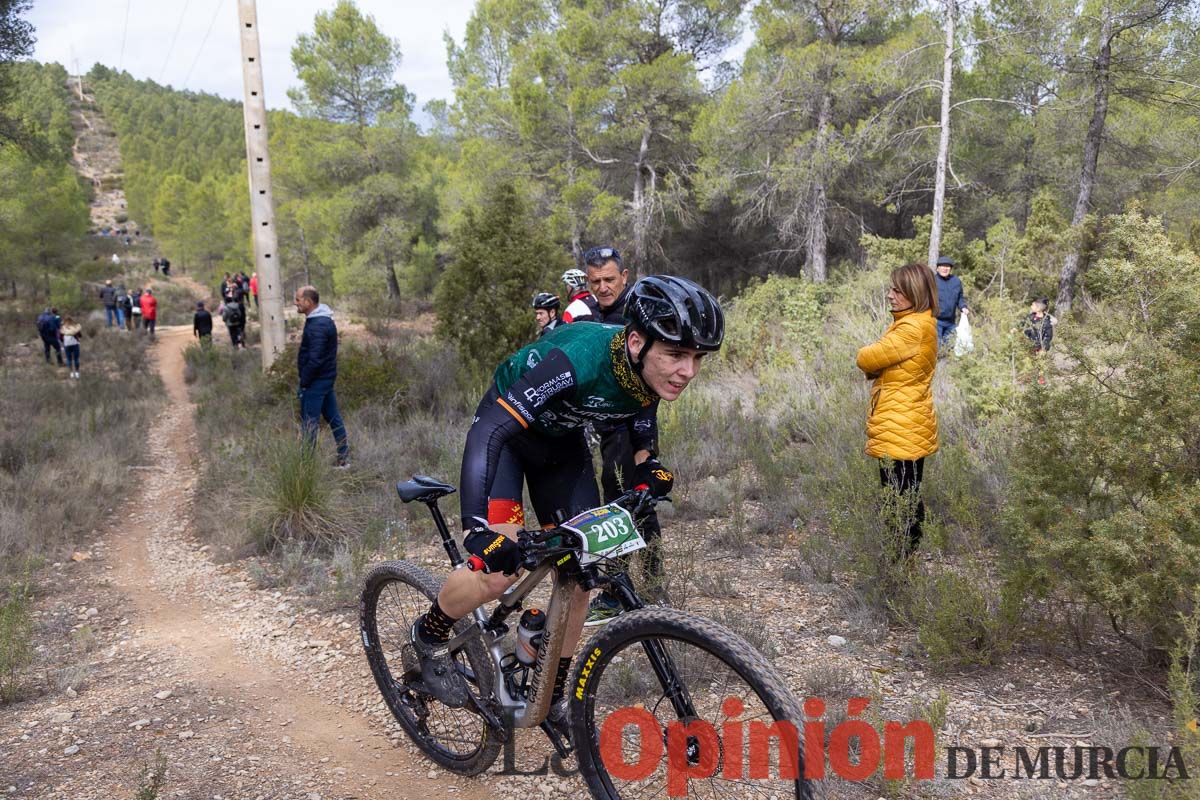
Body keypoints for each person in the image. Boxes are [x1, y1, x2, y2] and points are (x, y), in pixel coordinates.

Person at [409, 276, 723, 722]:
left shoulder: (648, 370)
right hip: (508, 438)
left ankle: (550, 693)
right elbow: (489, 432)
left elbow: (638, 416)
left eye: (696, 358)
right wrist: (475, 528)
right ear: (636, 342)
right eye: (675, 355)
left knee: (581, 574)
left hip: (561, 444)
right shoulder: (575, 360)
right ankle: (428, 634)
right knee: (497, 573)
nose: (687, 371)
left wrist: (647, 463)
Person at [856, 262, 940, 558]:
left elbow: (866, 358)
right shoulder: (920, 323)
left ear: (913, 293)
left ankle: (900, 566)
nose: (890, 295)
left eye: (896, 290)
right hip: (908, 422)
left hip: (900, 425)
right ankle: (905, 564)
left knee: (898, 499)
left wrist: (876, 361)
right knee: (908, 495)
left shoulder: (911, 328)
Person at [295, 285, 350, 468]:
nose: (296, 303)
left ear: (308, 302)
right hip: (324, 379)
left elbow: (315, 359)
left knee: (309, 424)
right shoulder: (318, 320)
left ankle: (306, 467)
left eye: (298, 300)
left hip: (316, 381)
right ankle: (343, 458)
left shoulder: (318, 324)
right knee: (334, 417)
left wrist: (305, 382)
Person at [933, 256, 968, 343]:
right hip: (935, 321)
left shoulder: (956, 281)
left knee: (949, 348)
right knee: (936, 348)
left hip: (951, 323)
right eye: (942, 266)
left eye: (947, 266)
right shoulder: (932, 281)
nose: (945, 268)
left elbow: (960, 297)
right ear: (937, 268)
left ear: (951, 269)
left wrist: (963, 307)